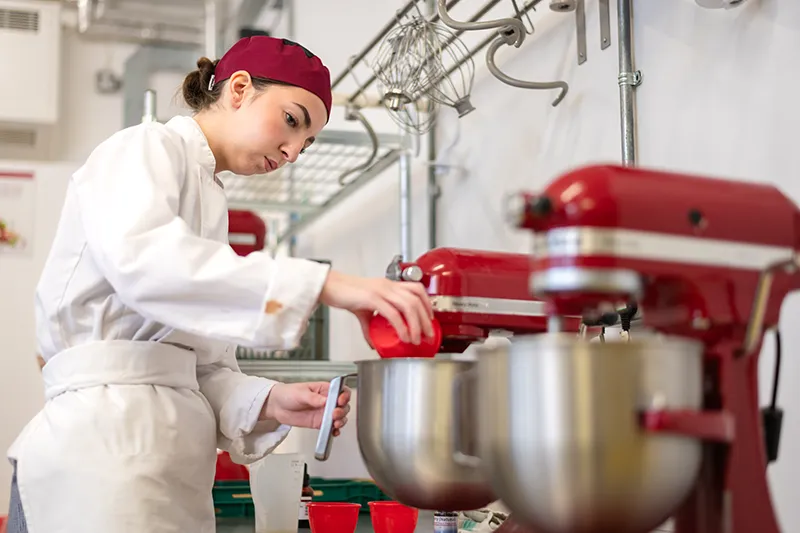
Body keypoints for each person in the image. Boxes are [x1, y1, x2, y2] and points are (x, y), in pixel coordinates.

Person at [6, 36, 434, 533]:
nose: (293, 150)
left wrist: (271, 401)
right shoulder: (144, 147)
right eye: (292, 121)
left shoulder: (211, 199)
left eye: (307, 142)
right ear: (238, 88)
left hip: (166, 467)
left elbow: (195, 367)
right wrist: (327, 284)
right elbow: (145, 265)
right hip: (100, 456)